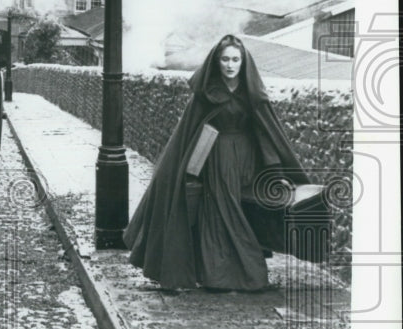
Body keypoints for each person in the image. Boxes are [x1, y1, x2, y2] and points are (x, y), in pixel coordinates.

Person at [122, 34, 310, 293]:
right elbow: (189, 133)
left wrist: (274, 168)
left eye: (235, 59)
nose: (230, 65)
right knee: (223, 212)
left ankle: (231, 273)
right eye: (225, 59)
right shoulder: (206, 94)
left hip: (248, 161)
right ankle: (236, 274)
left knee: (242, 212)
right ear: (217, 62)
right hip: (217, 159)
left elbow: (266, 132)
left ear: (243, 62)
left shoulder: (251, 92)